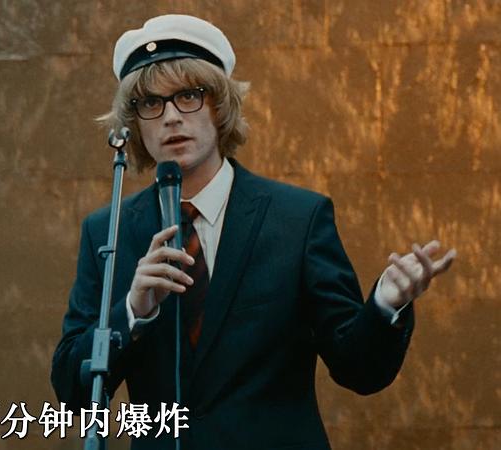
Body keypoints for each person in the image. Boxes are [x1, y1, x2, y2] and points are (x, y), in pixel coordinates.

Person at [51, 15, 457, 449]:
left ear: (219, 106)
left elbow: (358, 369)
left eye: (188, 96)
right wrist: (132, 311)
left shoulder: (297, 218)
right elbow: (72, 392)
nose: (170, 117)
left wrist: (385, 305)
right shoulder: (108, 231)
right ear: (134, 123)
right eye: (151, 103)